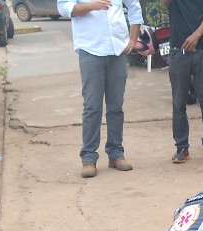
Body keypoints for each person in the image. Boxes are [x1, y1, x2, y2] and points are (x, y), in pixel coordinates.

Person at [57, 0, 143, 179]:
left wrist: (133, 39)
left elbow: (134, 7)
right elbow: (64, 7)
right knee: (92, 107)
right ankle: (89, 158)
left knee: (116, 107)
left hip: (117, 50)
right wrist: (91, 6)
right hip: (91, 49)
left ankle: (116, 154)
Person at [162, 0, 203, 164]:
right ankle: (181, 148)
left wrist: (196, 35)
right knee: (179, 103)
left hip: (202, 50)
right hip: (178, 50)